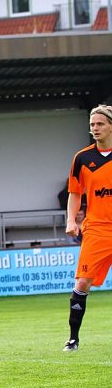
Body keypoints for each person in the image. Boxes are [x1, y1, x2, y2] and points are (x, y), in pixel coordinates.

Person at [62, 104, 112, 352]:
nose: (95, 128)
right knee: (82, 283)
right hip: (97, 229)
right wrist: (71, 220)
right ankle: (73, 340)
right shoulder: (82, 158)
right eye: (92, 124)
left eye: (100, 124)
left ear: (111, 126)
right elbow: (74, 193)